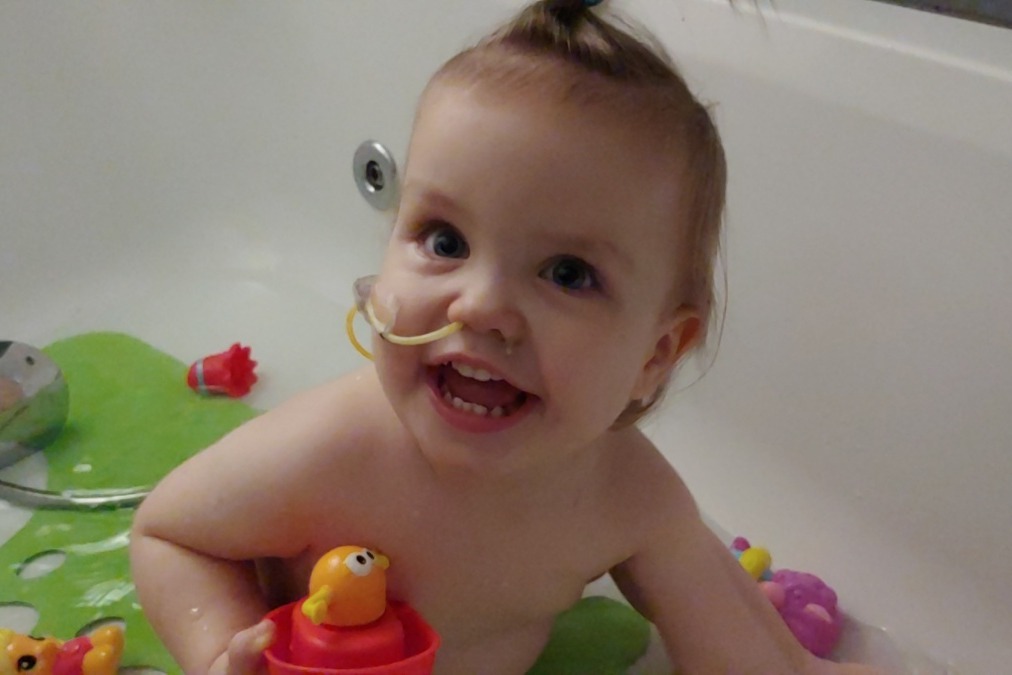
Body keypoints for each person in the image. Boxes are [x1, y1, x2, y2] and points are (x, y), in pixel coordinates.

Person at [130, 1, 885, 673]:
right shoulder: (332, 449)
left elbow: (737, 651)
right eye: (445, 240)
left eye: (567, 273)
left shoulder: (626, 494)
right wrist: (219, 649)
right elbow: (170, 534)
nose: (483, 305)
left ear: (655, 355)